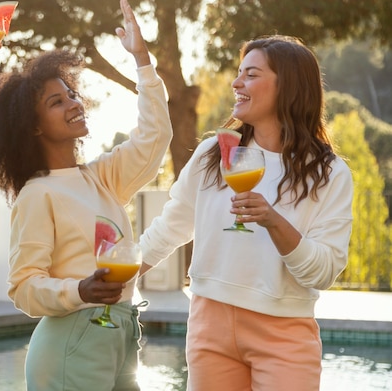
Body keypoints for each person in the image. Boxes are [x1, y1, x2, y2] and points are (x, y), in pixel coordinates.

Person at [138, 35, 354, 390]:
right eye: (239, 73)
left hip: (285, 334)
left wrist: (272, 220)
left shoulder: (330, 174)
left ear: (289, 87)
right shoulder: (213, 154)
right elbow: (169, 228)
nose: (237, 83)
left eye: (251, 75)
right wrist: (118, 278)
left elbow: (323, 272)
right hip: (210, 324)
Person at [0, 0, 172, 390]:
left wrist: (142, 61)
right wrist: (79, 290)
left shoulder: (101, 177)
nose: (73, 102)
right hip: (71, 345)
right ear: (32, 127)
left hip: (120, 336)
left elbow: (156, 137)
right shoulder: (38, 194)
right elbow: (23, 287)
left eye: (70, 93)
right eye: (57, 101)